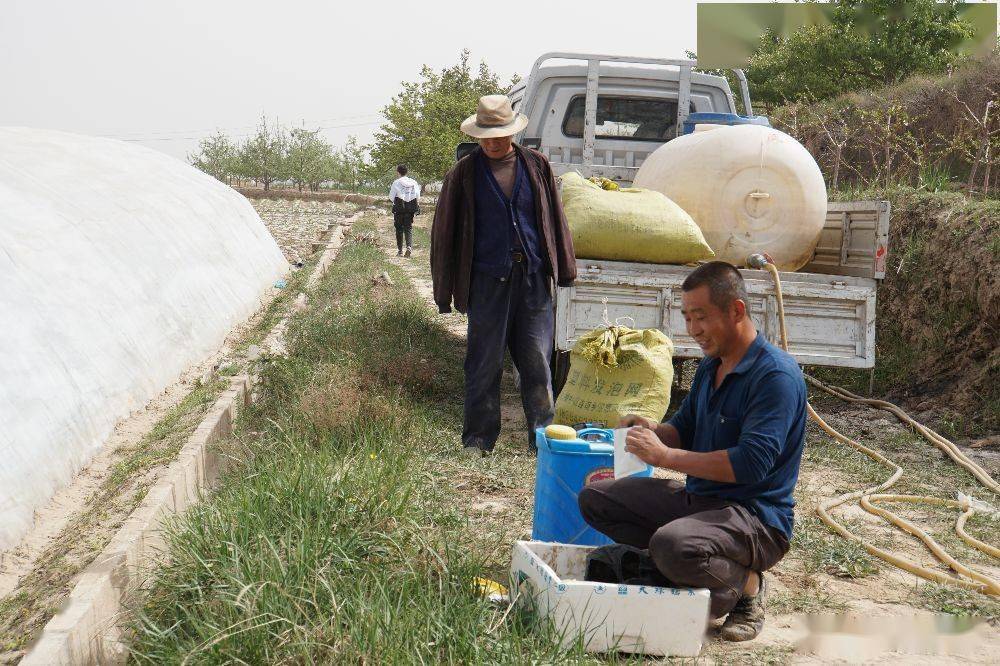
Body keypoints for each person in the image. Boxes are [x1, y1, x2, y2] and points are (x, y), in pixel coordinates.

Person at [578, 261, 807, 641]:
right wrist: (650, 430)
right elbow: (682, 431)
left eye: (700, 317)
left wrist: (665, 458)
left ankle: (746, 586)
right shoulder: (710, 367)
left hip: (755, 519)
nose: (693, 329)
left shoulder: (775, 377)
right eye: (687, 317)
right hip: (701, 502)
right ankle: (684, 567)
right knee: (596, 498)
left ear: (736, 310)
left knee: (671, 546)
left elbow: (751, 464)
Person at [431, 94, 576, 458]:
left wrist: (565, 270)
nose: (494, 142)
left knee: (537, 364)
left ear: (513, 132)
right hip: (485, 281)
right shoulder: (463, 173)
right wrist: (444, 291)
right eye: (487, 136)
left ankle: (542, 440)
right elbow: (444, 232)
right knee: (483, 363)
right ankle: (478, 440)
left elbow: (555, 219)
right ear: (477, 136)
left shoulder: (537, 166)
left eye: (501, 134)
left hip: (531, 280)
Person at [389, 164, 420, 257]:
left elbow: (391, 197)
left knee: (399, 229)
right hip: (410, 208)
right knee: (408, 227)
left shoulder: (396, 182)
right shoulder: (413, 182)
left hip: (399, 208)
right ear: (407, 172)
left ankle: (400, 251)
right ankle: (409, 247)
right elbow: (418, 195)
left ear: (398, 172)